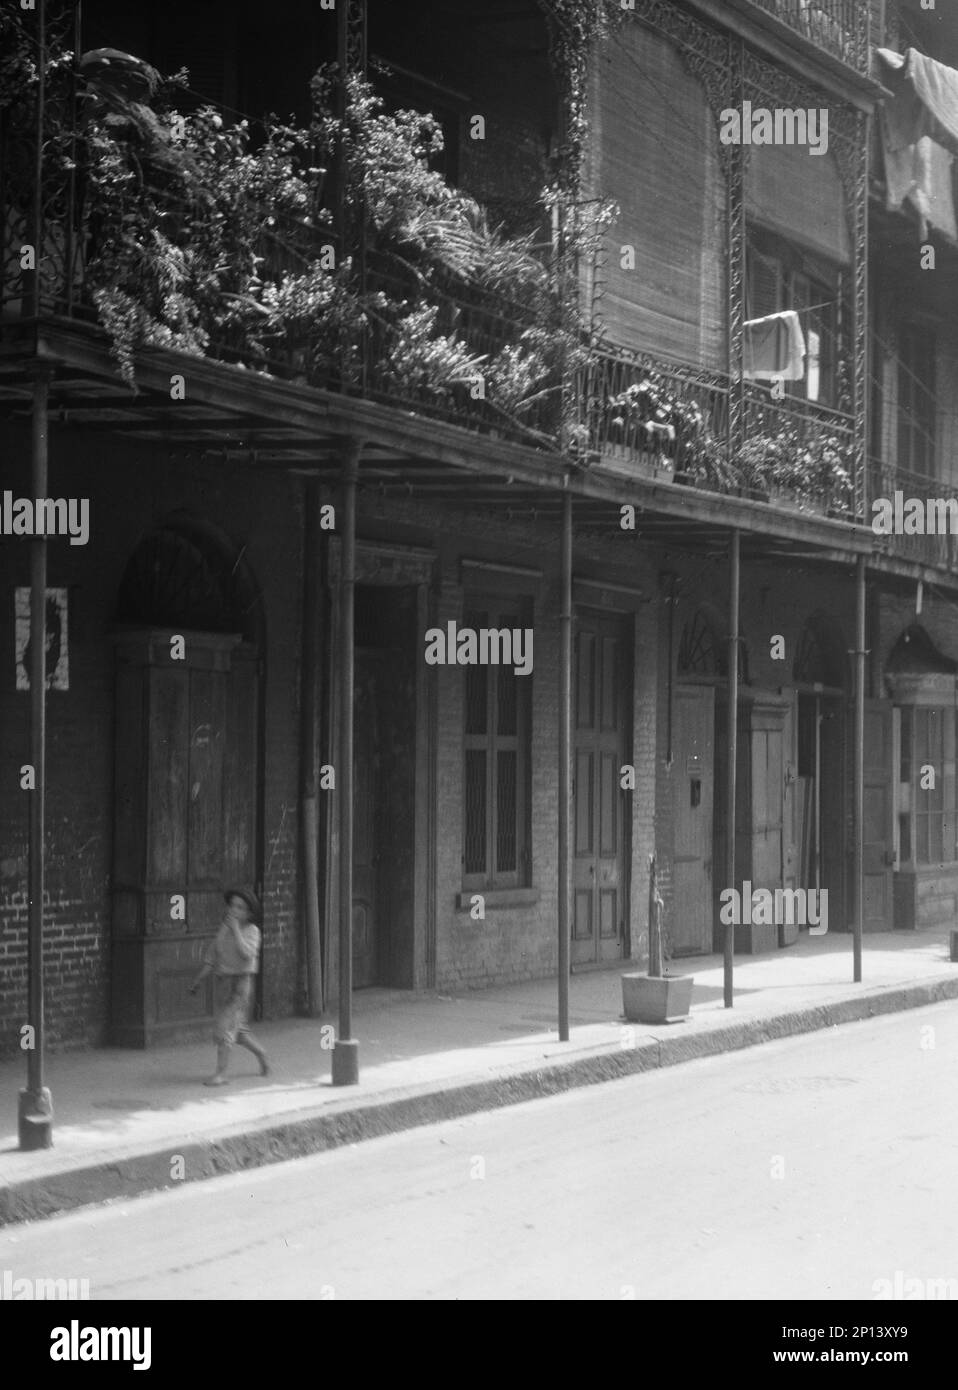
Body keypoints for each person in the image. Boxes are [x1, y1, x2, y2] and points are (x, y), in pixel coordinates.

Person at [190, 887, 270, 1086]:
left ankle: (221, 1073)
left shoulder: (252, 931)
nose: (234, 910)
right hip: (223, 982)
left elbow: (247, 954)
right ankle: (261, 1053)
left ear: (250, 913)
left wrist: (235, 930)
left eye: (240, 908)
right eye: (232, 905)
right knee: (238, 1032)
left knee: (223, 1029)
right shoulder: (223, 930)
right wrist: (198, 980)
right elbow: (213, 955)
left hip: (240, 985)